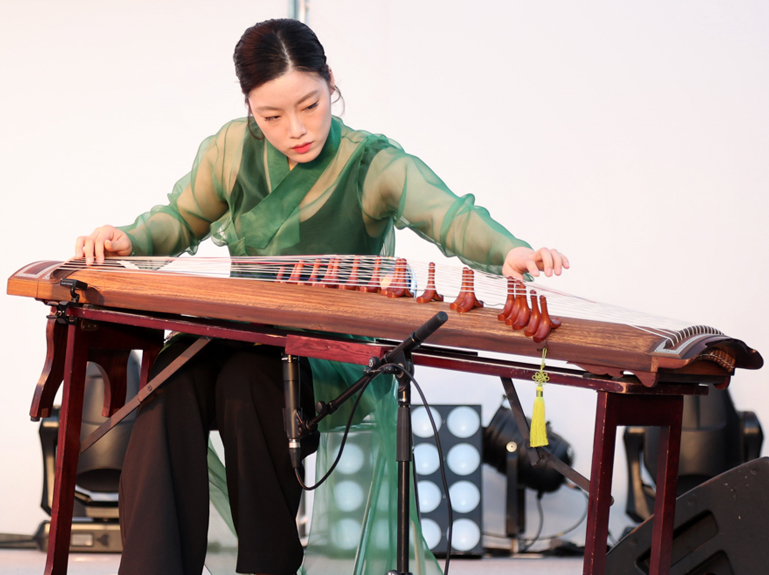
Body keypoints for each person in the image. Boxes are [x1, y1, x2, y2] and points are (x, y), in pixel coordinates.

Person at [75, 18, 568, 575]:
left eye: (310, 105)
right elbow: (179, 218)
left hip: (324, 355)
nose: (295, 130)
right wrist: (129, 239)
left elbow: (448, 214)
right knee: (166, 384)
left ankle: (268, 565)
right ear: (249, 108)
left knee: (249, 383)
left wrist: (509, 250)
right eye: (271, 116)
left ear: (331, 81)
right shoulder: (232, 150)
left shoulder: (370, 164)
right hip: (239, 330)